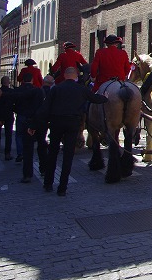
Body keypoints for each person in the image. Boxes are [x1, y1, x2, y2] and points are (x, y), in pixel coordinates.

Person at [33, 66, 108, 196]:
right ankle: (62, 188)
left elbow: (45, 108)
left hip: (56, 123)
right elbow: (95, 99)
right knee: (68, 156)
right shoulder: (81, 89)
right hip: (73, 123)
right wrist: (105, 97)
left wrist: (33, 125)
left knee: (52, 153)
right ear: (76, 76)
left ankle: (48, 183)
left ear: (65, 76)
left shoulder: (56, 88)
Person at [7, 73, 47, 183]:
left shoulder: (18, 90)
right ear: (33, 80)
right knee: (41, 144)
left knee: (26, 145)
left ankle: (27, 174)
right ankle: (43, 169)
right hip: (38, 120)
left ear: (23, 80)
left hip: (23, 118)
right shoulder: (38, 90)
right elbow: (41, 106)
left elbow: (12, 103)